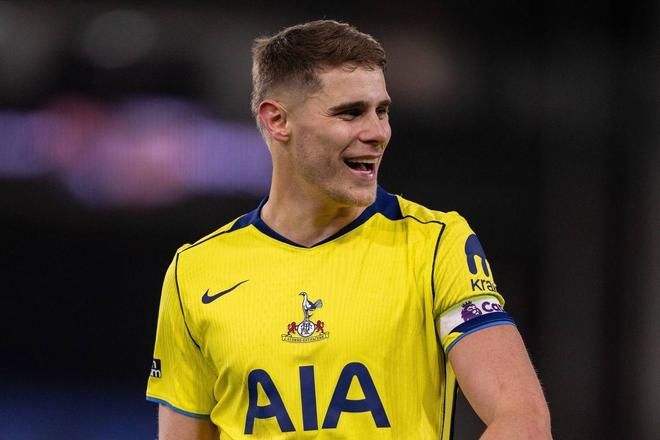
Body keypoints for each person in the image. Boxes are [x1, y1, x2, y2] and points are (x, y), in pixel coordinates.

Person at [146, 19, 552, 439]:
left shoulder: (434, 244)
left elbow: (523, 421)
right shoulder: (195, 272)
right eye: (350, 112)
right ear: (277, 120)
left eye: (382, 111)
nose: (377, 133)